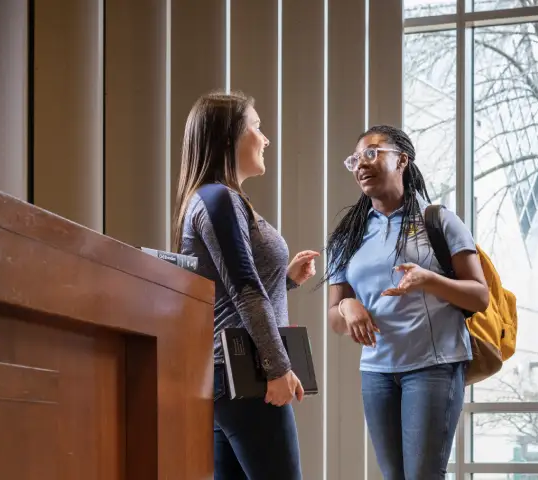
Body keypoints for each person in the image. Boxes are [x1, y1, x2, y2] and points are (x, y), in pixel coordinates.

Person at [323, 125, 489, 479]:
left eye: (372, 153)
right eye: (354, 159)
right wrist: (347, 307)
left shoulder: (439, 221)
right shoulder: (346, 237)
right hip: (376, 373)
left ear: (402, 159)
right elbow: (335, 318)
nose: (360, 165)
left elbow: (480, 295)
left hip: (434, 366)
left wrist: (429, 279)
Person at [173, 91, 318, 480]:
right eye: (256, 125)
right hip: (245, 376)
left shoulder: (212, 199)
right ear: (228, 138)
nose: (265, 137)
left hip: (226, 379)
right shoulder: (219, 199)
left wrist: (284, 279)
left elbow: (228, 288)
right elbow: (244, 290)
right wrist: (277, 366)